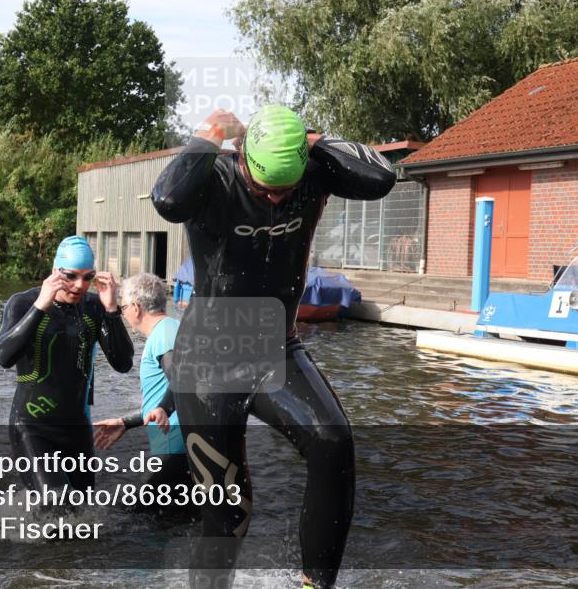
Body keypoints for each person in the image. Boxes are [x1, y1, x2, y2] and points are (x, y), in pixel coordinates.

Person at [152, 106, 396, 589]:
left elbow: (381, 177)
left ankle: (314, 585)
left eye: (285, 189)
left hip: (275, 349)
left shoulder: (312, 172)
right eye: (265, 188)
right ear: (242, 158)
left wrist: (315, 141)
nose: (275, 198)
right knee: (229, 509)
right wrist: (209, 134)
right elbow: (167, 198)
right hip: (207, 361)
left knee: (333, 443)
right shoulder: (215, 178)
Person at [0, 235, 134, 491]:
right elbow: (3, 356)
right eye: (71, 276)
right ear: (55, 271)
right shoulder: (23, 303)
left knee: (82, 515)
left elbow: (123, 363)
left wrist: (112, 310)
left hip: (76, 430)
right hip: (32, 427)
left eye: (88, 277)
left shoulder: (93, 306)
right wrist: (40, 306)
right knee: (55, 503)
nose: (80, 285)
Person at [92, 273, 192, 500]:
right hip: (182, 447)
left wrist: (164, 410)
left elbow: (182, 381)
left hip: (173, 448)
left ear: (135, 308)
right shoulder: (173, 328)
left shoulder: (164, 336)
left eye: (123, 307)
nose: (123, 313)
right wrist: (126, 423)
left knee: (131, 519)